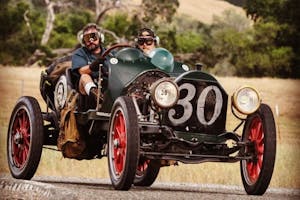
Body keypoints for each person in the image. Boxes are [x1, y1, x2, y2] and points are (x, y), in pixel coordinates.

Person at [71, 23, 107, 101]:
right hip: (86, 93)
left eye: (93, 37)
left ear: (100, 37)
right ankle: (97, 96)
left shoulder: (110, 53)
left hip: (109, 86)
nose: (91, 41)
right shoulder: (79, 53)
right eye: (87, 38)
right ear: (83, 41)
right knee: (84, 76)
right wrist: (93, 66)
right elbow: (81, 71)